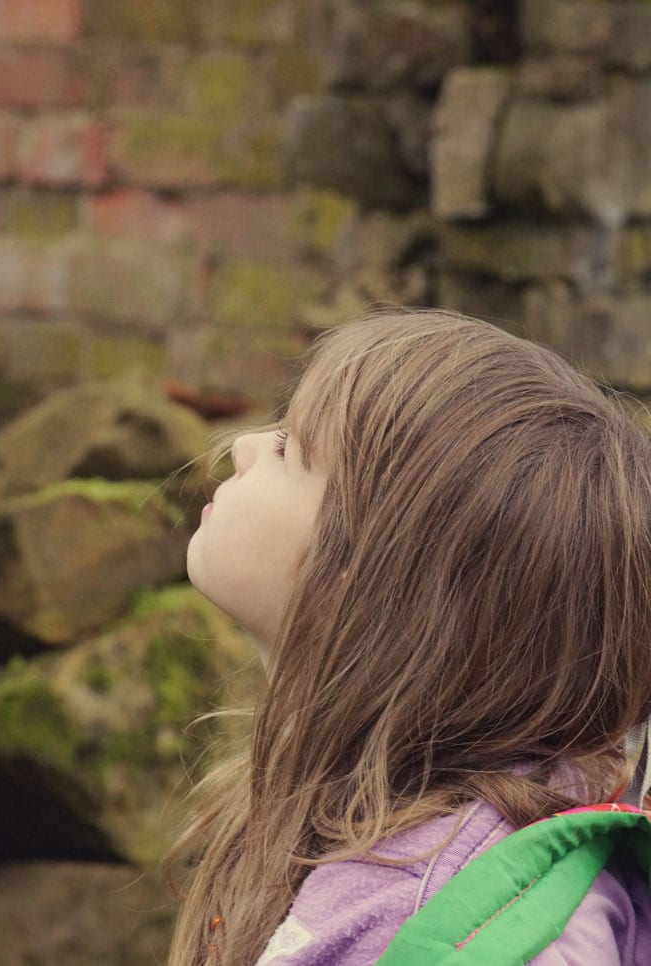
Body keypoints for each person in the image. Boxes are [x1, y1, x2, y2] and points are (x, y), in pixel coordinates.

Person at [167, 309, 651, 965]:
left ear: (372, 583)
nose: (242, 445)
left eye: (289, 450)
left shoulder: (458, 929)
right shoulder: (381, 812)